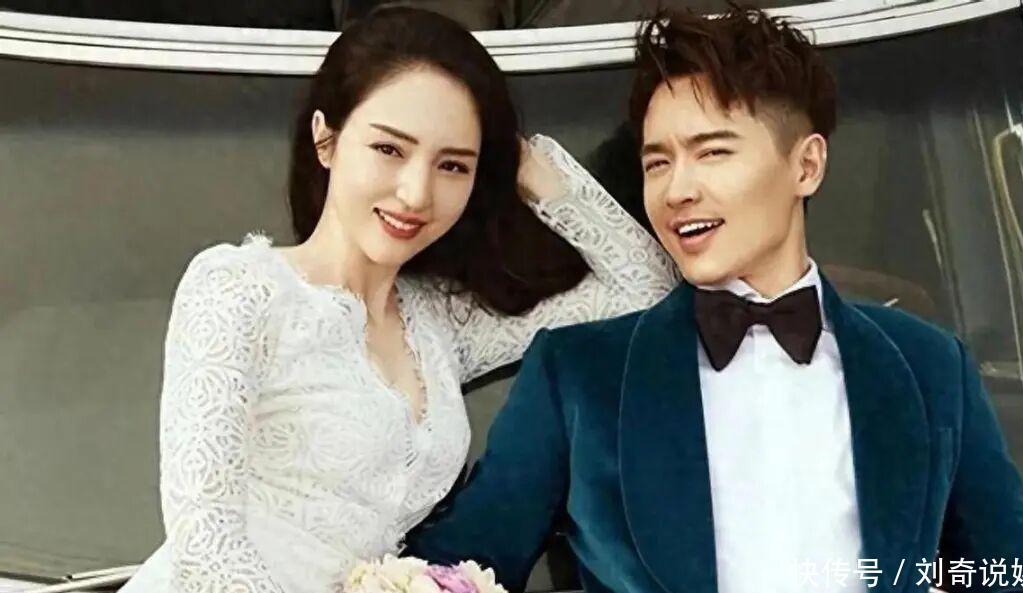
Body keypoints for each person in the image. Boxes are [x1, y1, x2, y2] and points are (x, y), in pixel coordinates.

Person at [406, 6, 1023, 593]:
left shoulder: (931, 367)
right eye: (658, 162)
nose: (677, 190)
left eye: (712, 152)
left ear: (806, 165)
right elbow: (453, 571)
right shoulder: (579, 374)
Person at [119, 7, 677, 593]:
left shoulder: (440, 325)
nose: (416, 193)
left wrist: (526, 163)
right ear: (326, 139)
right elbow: (206, 545)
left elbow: (644, 291)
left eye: (452, 164)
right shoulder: (240, 287)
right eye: (390, 149)